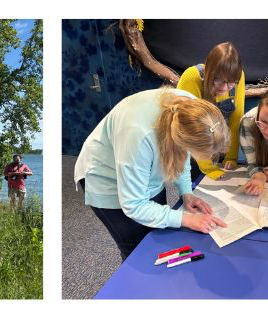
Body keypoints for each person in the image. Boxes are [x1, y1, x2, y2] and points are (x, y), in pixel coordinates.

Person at [73, 88, 230, 260]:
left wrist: (187, 193)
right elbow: (134, 205)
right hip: (106, 176)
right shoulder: (138, 134)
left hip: (142, 163)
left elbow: (182, 155)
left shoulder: (195, 110)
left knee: (157, 235)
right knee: (137, 250)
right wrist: (187, 219)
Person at [176, 41, 245, 182]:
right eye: (218, 80)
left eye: (231, 82)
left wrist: (231, 156)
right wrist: (208, 168)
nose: (225, 88)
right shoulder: (192, 77)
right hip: (190, 150)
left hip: (214, 146)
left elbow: (236, 119)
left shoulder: (239, 76)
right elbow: (191, 129)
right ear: (209, 71)